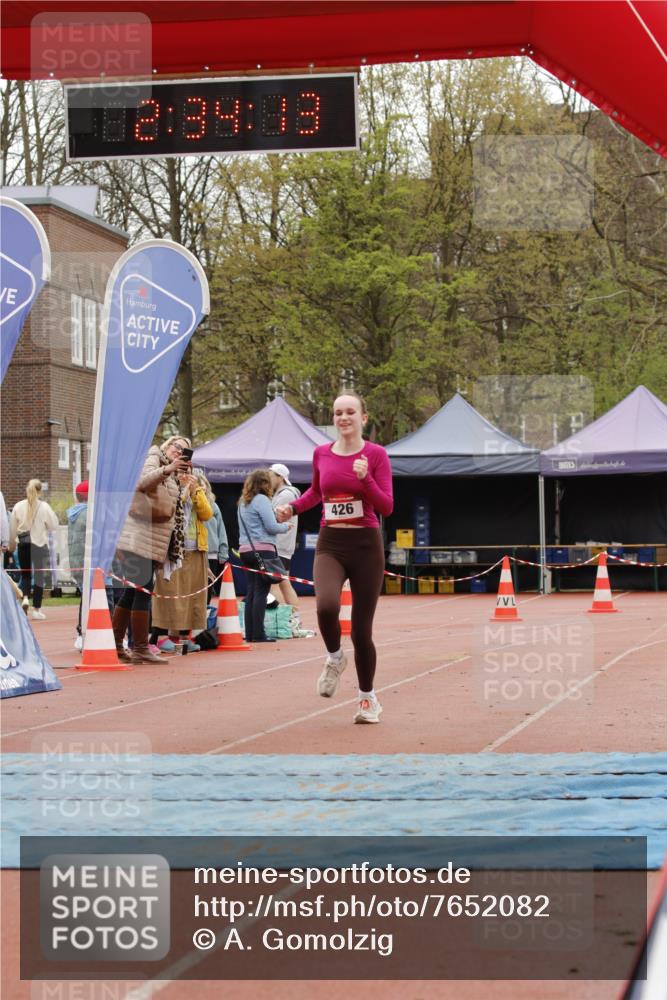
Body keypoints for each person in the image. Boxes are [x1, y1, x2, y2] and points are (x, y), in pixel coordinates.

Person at [276, 394, 393, 724]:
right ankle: (334, 657)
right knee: (325, 605)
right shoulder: (321, 454)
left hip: (366, 545)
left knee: (361, 631)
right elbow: (316, 492)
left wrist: (365, 479)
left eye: (350, 412)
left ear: (363, 417)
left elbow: (386, 507)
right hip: (331, 543)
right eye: (338, 413)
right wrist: (293, 508)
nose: (344, 417)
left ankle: (368, 699)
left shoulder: (376, 455)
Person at [112, 435, 189, 663]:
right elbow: (142, 482)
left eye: (185, 451)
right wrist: (168, 470)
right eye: (177, 446)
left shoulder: (170, 470)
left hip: (149, 539)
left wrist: (180, 480)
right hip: (139, 538)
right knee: (143, 591)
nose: (179, 452)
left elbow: (169, 507)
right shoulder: (154, 457)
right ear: (168, 445)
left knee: (133, 591)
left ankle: (118, 645)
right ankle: (140, 647)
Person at [151, 469, 213, 652]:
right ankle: (163, 637)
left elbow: (206, 514)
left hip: (196, 547)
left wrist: (195, 490)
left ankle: (184, 637)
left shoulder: (197, 489)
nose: (185, 475)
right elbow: (174, 507)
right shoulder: (168, 488)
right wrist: (184, 489)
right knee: (171, 594)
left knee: (192, 595)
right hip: (173, 549)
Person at [237, 468, 291, 643]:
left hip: (245, 549)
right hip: (262, 549)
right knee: (261, 592)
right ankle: (259, 633)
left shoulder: (242, 502)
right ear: (264, 484)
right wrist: (286, 527)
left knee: (252, 591)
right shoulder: (262, 500)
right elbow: (271, 526)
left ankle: (251, 633)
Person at [9, 479, 59, 620]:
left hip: (23, 545)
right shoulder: (44, 507)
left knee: (25, 575)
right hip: (40, 545)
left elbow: (12, 530)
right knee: (38, 578)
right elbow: (54, 525)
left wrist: (11, 546)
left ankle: (25, 598)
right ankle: (36, 609)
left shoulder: (18, 506)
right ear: (39, 491)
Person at [269, 463, 303, 629]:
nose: (268, 478)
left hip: (279, 545)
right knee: (283, 583)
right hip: (282, 545)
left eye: (271, 475)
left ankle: (283, 621)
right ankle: (293, 618)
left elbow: (272, 518)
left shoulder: (284, 495)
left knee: (274, 584)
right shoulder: (285, 494)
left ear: (280, 477)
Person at [202, 475, 229, 602]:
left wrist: (223, 551)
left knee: (208, 588)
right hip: (195, 552)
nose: (201, 487)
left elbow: (221, 530)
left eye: (204, 484)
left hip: (212, 553)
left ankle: (206, 616)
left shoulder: (214, 506)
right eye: (198, 484)